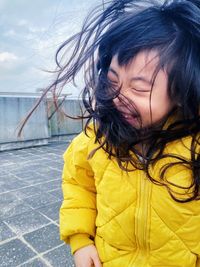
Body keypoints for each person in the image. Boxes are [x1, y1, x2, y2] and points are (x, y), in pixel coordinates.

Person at [57, 0, 200, 266]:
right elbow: (78, 184)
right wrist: (80, 240)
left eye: (140, 88)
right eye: (112, 81)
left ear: (180, 92)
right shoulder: (95, 138)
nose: (118, 97)